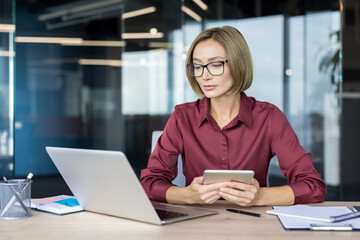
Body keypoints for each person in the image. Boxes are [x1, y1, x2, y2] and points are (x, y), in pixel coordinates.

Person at [140, 26, 326, 207]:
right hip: (195, 227)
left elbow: (313, 187)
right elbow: (149, 184)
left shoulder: (269, 118)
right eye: (197, 66)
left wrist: (261, 196)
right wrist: (187, 195)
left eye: (215, 65)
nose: (204, 76)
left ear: (238, 64)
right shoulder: (182, 118)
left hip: (253, 227)